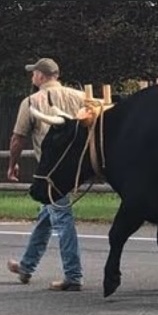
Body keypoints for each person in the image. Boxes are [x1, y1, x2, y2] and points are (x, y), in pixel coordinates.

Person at [6, 58, 86, 291]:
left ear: (41, 76)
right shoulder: (80, 97)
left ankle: (73, 275)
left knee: (61, 218)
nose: (32, 78)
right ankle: (26, 267)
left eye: (34, 74)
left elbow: (18, 138)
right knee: (46, 215)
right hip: (78, 167)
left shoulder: (32, 101)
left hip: (52, 173)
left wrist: (13, 164)